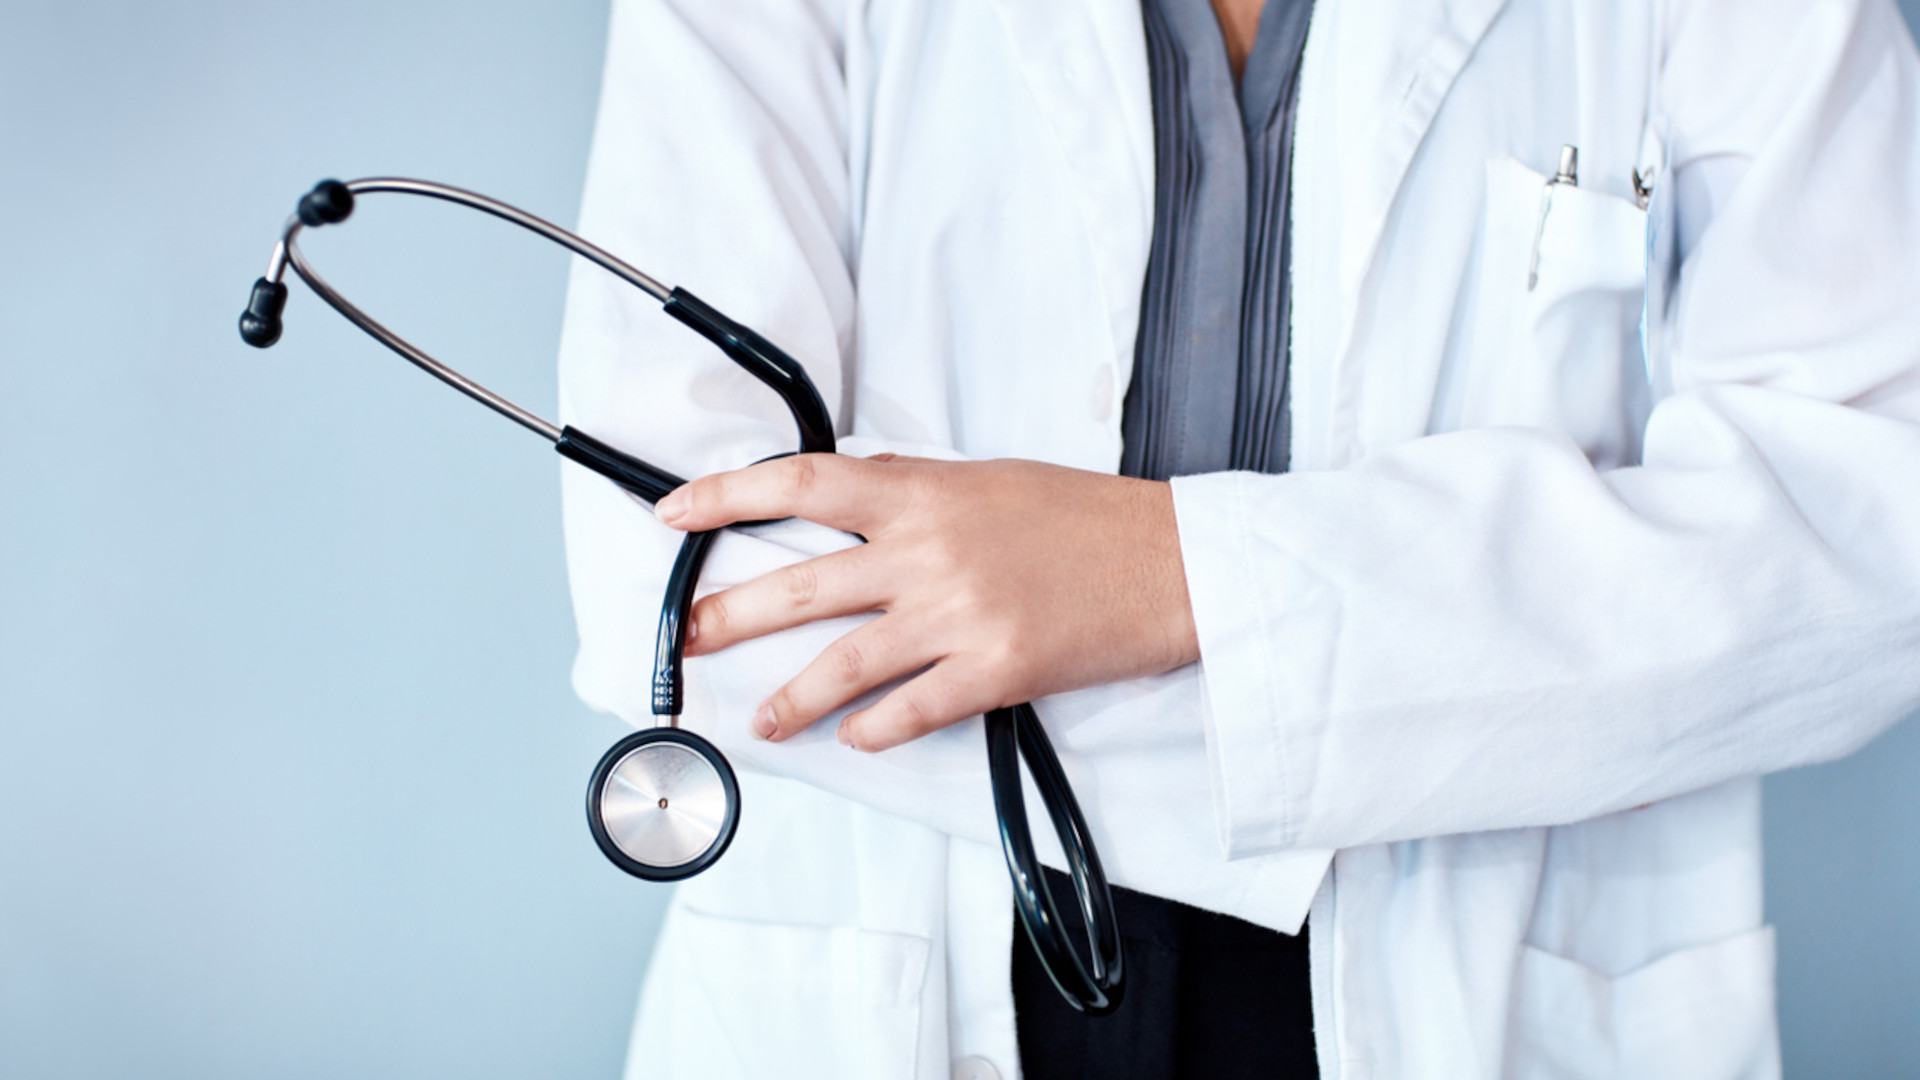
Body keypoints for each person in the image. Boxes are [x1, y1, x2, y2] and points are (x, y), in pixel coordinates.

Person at [556, 0, 1920, 1075]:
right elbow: (672, 582)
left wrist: (1171, 577)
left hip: (1478, 986)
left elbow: (1871, 548)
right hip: (895, 969)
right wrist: (1433, 678)